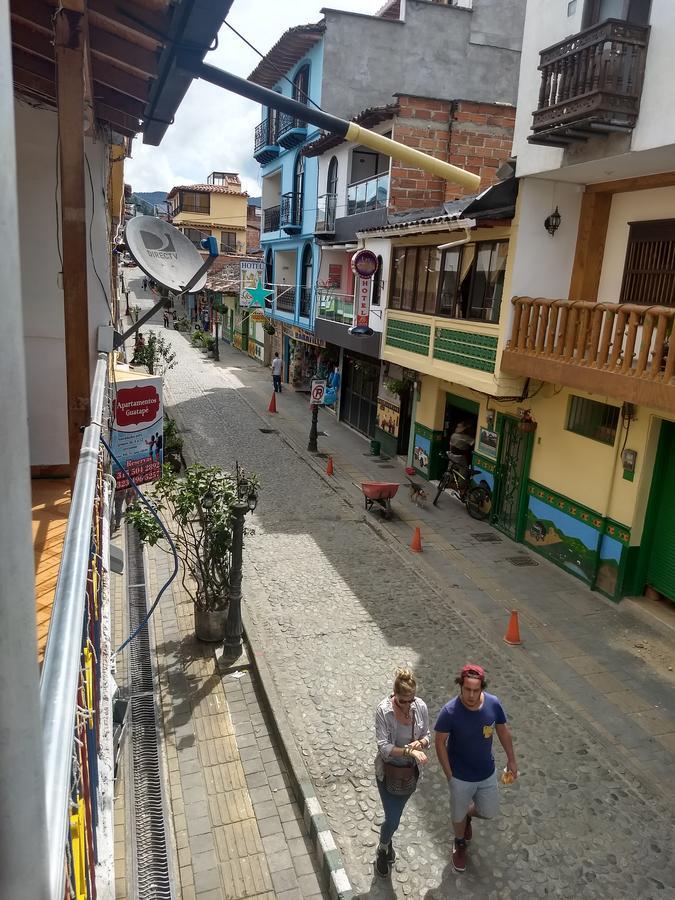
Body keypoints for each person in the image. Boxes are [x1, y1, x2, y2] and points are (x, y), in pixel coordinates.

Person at [434, 663, 518, 874]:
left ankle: (467, 816)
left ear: (482, 688)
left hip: (486, 772)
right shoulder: (449, 711)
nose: (471, 695)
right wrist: (449, 775)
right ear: (460, 686)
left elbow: (503, 732)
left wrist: (512, 760)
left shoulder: (493, 704)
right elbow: (439, 743)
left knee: (488, 811)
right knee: (457, 815)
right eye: (467, 689)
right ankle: (459, 842)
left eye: (476, 690)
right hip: (460, 777)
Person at [374, 667, 430, 878]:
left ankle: (388, 841)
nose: (407, 705)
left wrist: (420, 742)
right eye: (402, 700)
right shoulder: (383, 711)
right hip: (388, 772)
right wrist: (409, 751)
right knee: (393, 818)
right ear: (394, 694)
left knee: (394, 818)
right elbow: (384, 747)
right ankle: (382, 848)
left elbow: (427, 736)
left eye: (411, 700)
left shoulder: (420, 706)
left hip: (410, 774)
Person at [447, 421, 475, 492]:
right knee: (464, 469)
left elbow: (450, 445)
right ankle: (461, 485)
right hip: (460, 457)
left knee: (450, 467)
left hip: (452, 455)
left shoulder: (453, 435)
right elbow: (473, 443)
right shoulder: (466, 437)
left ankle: (448, 480)